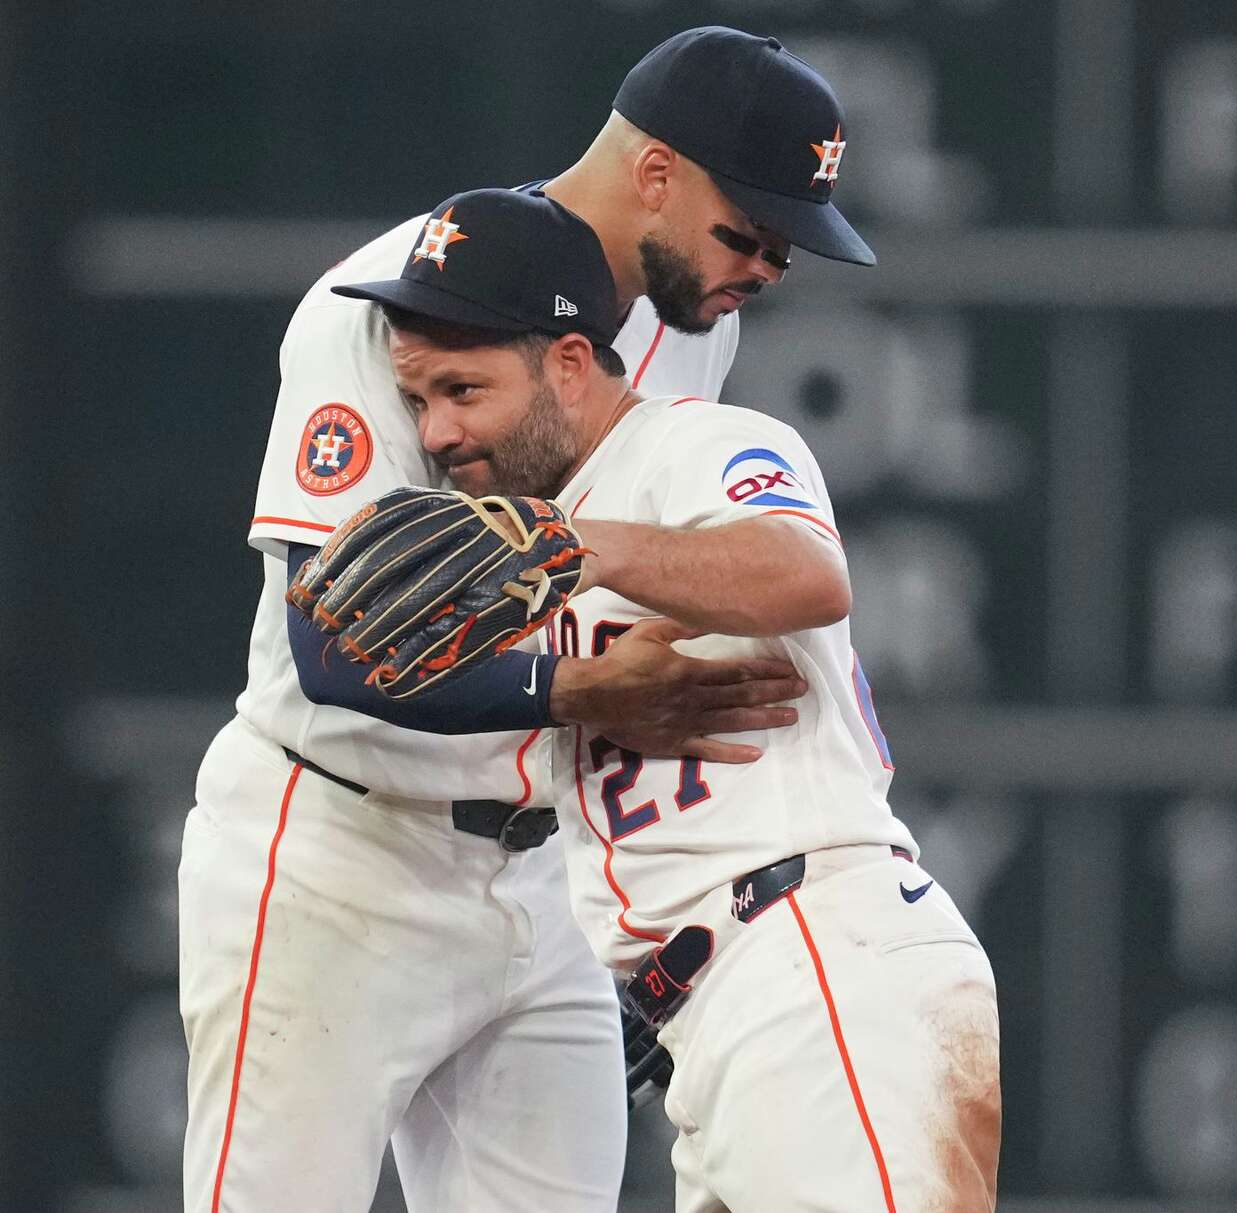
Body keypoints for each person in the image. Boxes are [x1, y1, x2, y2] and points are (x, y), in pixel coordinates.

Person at [179, 27, 874, 1213]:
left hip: (539, 872)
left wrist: (631, 927)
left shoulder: (687, 316)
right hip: (338, 847)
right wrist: (572, 693)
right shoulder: (399, 299)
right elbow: (336, 643)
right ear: (655, 173)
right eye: (746, 231)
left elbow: (623, 591)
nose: (766, 266)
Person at [333, 184, 1000, 1212]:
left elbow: (806, 573)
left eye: (463, 390)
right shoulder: (526, 535)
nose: (438, 432)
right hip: (718, 1014)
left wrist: (581, 547)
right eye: (419, 401)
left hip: (820, 968)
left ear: (565, 361)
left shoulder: (698, 445)